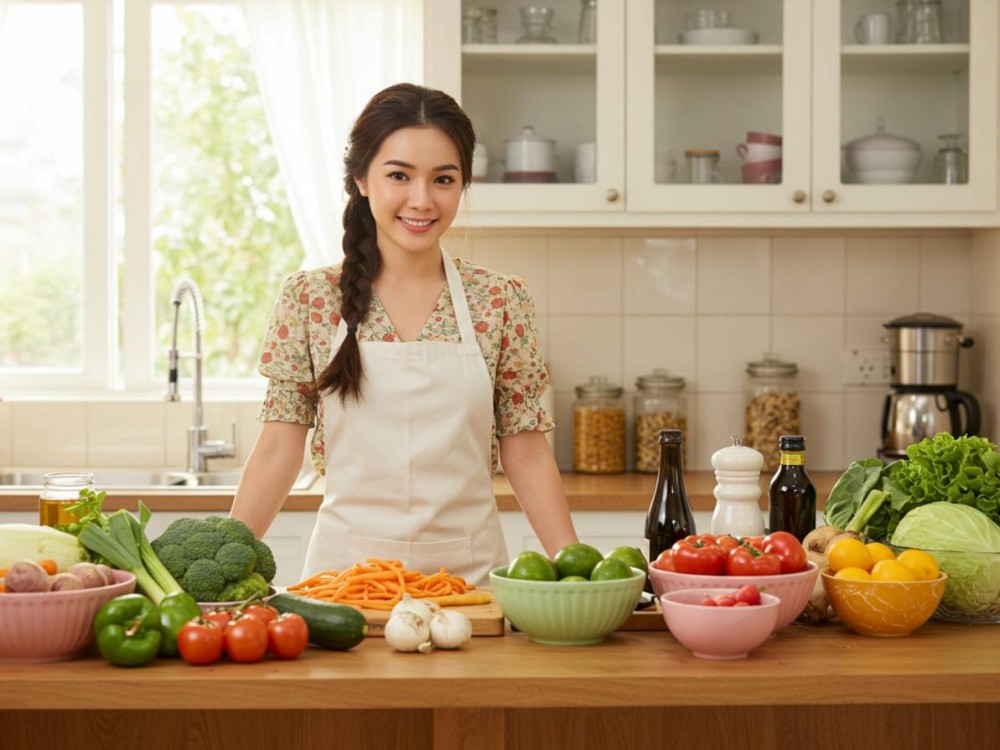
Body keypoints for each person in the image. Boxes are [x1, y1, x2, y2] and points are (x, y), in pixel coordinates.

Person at [230, 82, 579, 586]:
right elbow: (279, 449)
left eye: (443, 179)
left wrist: (576, 567)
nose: (422, 200)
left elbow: (523, 448)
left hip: (470, 588)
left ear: (463, 184)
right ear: (361, 179)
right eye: (399, 175)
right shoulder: (310, 299)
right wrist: (224, 561)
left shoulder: (500, 299)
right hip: (343, 588)